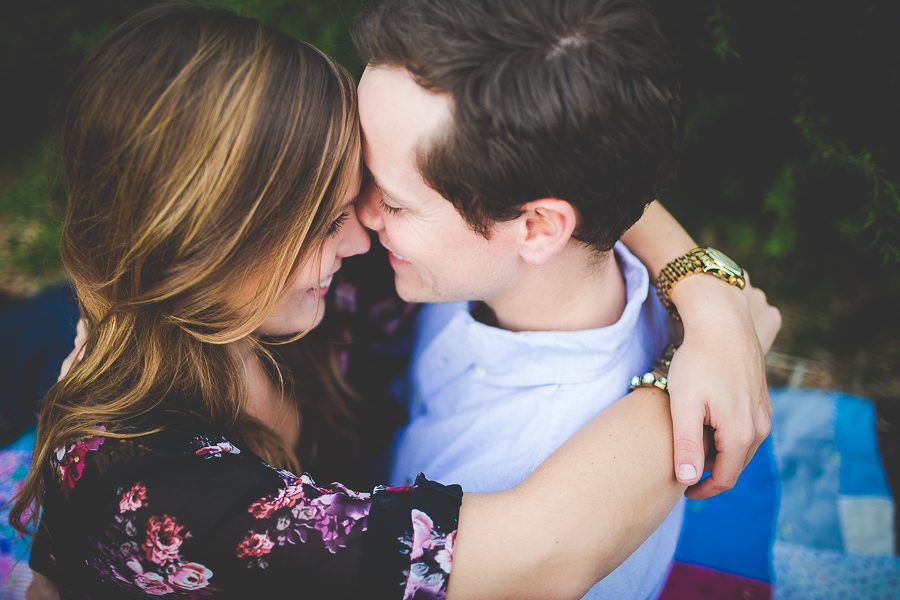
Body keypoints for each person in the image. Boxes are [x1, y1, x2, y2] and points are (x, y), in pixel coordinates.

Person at [8, 4, 780, 599]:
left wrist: (706, 292)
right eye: (326, 219)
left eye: (382, 195)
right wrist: (709, 342)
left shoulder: (362, 277)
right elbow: (545, 551)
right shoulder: (150, 489)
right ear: (207, 245)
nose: (361, 232)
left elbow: (560, 162)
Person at [352, 1, 773, 598]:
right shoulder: (514, 246)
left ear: (537, 228)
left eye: (394, 203)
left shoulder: (513, 470)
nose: (361, 213)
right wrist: (710, 290)